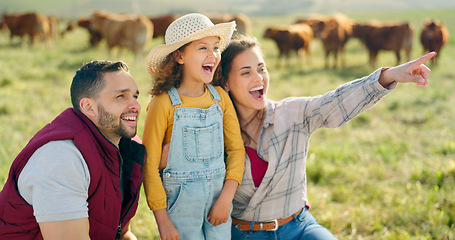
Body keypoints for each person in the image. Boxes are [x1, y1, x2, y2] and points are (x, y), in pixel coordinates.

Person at [211, 34, 436, 239]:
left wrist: (390, 75)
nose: (258, 77)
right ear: (226, 83)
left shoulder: (290, 113)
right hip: (245, 233)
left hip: (298, 227)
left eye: (261, 68)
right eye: (246, 72)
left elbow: (335, 102)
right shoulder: (214, 131)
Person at [0, 60, 145, 240]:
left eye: (135, 97)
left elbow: (122, 233)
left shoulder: (123, 148)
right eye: (121, 96)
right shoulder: (61, 158)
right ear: (88, 107)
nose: (136, 106)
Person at [142, 13, 245, 240]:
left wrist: (226, 198)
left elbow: (237, 150)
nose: (213, 55)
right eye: (202, 48)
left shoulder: (220, 98)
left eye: (216, 47)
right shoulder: (163, 103)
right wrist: (163, 221)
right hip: (180, 209)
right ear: (179, 56)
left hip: (219, 202)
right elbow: (149, 166)